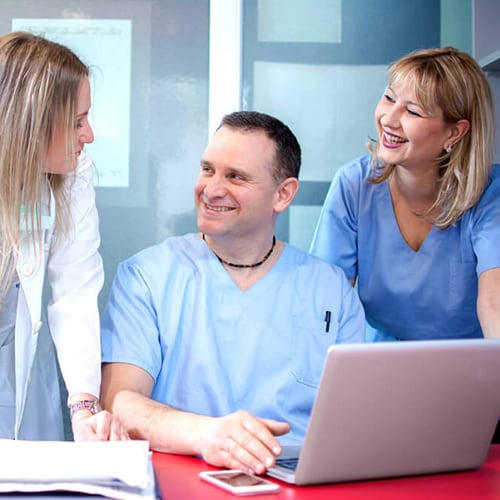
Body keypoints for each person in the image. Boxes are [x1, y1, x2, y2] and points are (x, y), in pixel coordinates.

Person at [100, 111, 365, 474]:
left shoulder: (332, 291)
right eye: (207, 169)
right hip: (179, 481)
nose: (211, 189)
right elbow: (120, 402)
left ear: (283, 194)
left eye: (235, 176)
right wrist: (207, 434)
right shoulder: (147, 276)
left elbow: (356, 422)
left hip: (297, 483)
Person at [310, 47, 500, 341]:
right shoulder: (354, 184)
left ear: (454, 133)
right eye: (388, 98)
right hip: (381, 364)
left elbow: (494, 305)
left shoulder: (491, 194)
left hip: (470, 368)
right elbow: (326, 305)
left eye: (412, 111)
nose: (389, 119)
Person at [0, 31, 127, 440]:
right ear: (30, 124)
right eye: (77, 121)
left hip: (20, 358)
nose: (88, 135)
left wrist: (85, 406)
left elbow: (75, 286)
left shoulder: (72, 170)